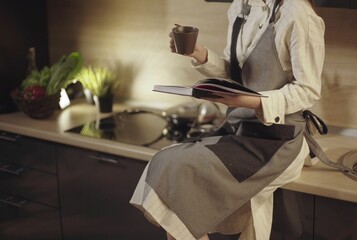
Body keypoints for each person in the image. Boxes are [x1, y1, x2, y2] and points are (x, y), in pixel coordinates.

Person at [130, 0, 325, 239]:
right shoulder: (240, 7)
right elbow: (237, 73)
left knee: (180, 167)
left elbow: (308, 90)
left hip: (279, 138)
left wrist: (251, 102)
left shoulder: (297, 13)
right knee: (166, 161)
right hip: (238, 129)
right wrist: (199, 54)